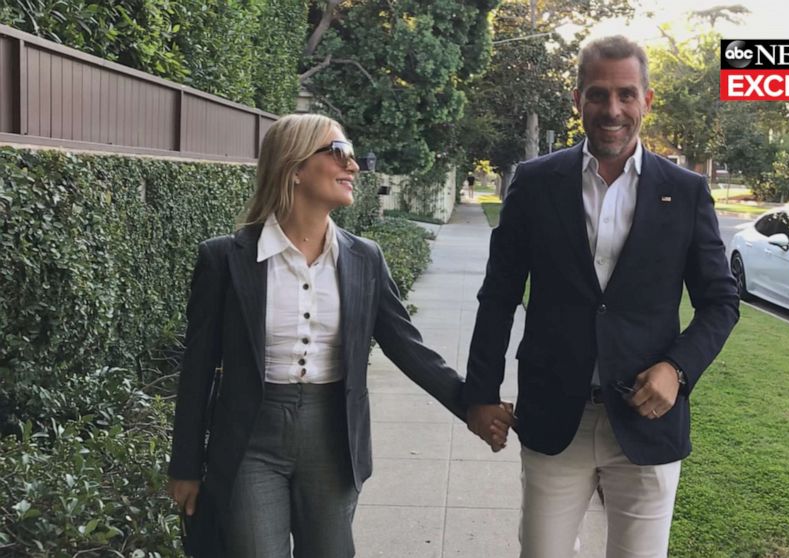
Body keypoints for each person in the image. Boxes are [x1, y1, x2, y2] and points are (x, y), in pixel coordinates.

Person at [167, 113, 513, 557]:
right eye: (340, 153)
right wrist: (186, 466)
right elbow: (195, 370)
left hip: (332, 441)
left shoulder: (363, 259)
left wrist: (472, 406)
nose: (354, 167)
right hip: (249, 442)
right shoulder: (225, 259)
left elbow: (407, 347)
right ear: (294, 167)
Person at [463, 36, 740, 558]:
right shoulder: (535, 182)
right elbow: (498, 294)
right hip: (555, 415)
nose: (612, 110)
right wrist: (480, 392)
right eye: (597, 94)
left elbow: (721, 302)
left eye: (626, 94)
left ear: (647, 100)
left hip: (647, 420)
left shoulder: (684, 191)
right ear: (577, 100)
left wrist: (676, 370)